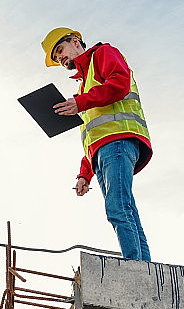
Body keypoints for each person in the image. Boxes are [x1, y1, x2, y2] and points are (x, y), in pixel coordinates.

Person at [41, 27, 152, 261]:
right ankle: (143, 267)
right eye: (57, 58)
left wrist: (80, 103)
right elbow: (94, 135)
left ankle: (135, 268)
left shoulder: (103, 54)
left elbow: (119, 84)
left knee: (118, 209)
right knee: (126, 210)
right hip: (104, 151)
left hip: (119, 142)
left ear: (75, 41)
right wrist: (85, 174)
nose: (61, 58)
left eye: (60, 50)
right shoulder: (83, 87)